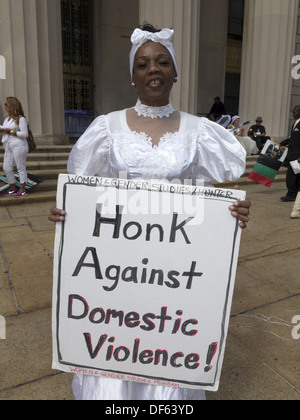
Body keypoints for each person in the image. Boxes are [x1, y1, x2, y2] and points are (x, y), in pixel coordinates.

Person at [49, 24, 251, 401]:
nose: (153, 70)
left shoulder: (199, 131)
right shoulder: (105, 128)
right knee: (116, 353)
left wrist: (231, 213)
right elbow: (82, 192)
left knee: (165, 357)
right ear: (133, 75)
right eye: (143, 64)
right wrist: (66, 214)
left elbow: (204, 198)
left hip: (173, 274)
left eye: (162, 62)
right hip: (116, 271)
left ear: (174, 71)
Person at [0, 97, 29, 197]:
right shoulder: (7, 119)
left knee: (20, 167)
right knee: (7, 168)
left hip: (19, 146)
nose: (5, 106)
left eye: (7, 104)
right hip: (8, 146)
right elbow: (5, 130)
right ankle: (13, 188)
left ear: (12, 105)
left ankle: (22, 189)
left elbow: (25, 134)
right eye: (5, 104)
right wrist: (3, 130)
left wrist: (10, 131)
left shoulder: (21, 119)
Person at [280, 105, 300, 202]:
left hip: (297, 156)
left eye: (295, 112)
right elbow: (292, 138)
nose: (293, 114)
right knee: (295, 176)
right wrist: (280, 144)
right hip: (292, 154)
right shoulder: (295, 123)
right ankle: (294, 194)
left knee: (291, 177)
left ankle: (291, 194)